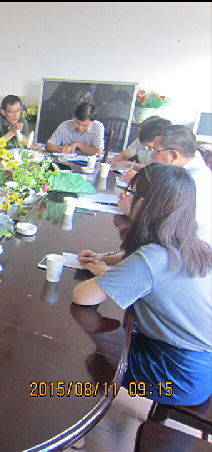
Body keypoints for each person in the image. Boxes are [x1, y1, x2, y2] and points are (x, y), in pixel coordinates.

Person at [73, 164, 212, 406]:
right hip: (198, 368)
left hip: (175, 375)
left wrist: (105, 276)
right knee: (118, 331)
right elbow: (140, 260)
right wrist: (103, 258)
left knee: (86, 351)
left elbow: (82, 296)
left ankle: (81, 410)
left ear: (147, 204)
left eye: (130, 193)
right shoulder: (192, 243)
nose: (124, 198)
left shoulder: (152, 259)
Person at [149, 125, 212, 244]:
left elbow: (159, 227)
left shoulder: (186, 183)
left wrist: (130, 210)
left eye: (155, 152)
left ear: (173, 156)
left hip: (187, 250)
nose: (151, 157)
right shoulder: (195, 163)